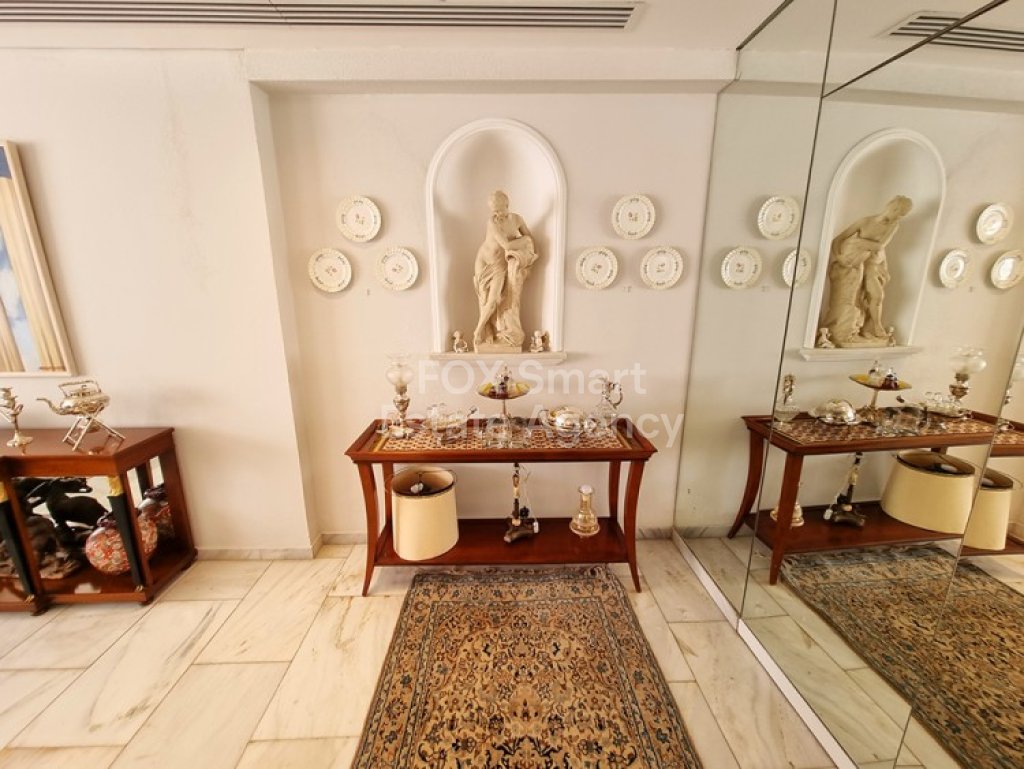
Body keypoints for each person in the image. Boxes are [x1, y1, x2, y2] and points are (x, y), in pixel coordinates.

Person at [820, 195, 912, 347]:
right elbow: (837, 240)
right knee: (850, 299)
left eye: (901, 214)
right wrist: (840, 257)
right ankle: (846, 331)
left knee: (876, 296)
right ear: (889, 205)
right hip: (853, 265)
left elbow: (880, 246)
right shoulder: (865, 221)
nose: (896, 215)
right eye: (896, 210)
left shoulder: (893, 226)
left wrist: (857, 242)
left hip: (873, 264)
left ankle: (873, 326)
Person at [472, 190, 539, 352]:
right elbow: (507, 245)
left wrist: (529, 248)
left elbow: (530, 238)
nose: (497, 214)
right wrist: (525, 241)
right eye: (493, 211)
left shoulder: (517, 219)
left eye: (499, 210)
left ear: (507, 205)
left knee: (494, 299)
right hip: (484, 262)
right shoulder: (492, 222)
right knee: (484, 299)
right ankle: (485, 331)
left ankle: (477, 330)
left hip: (500, 264)